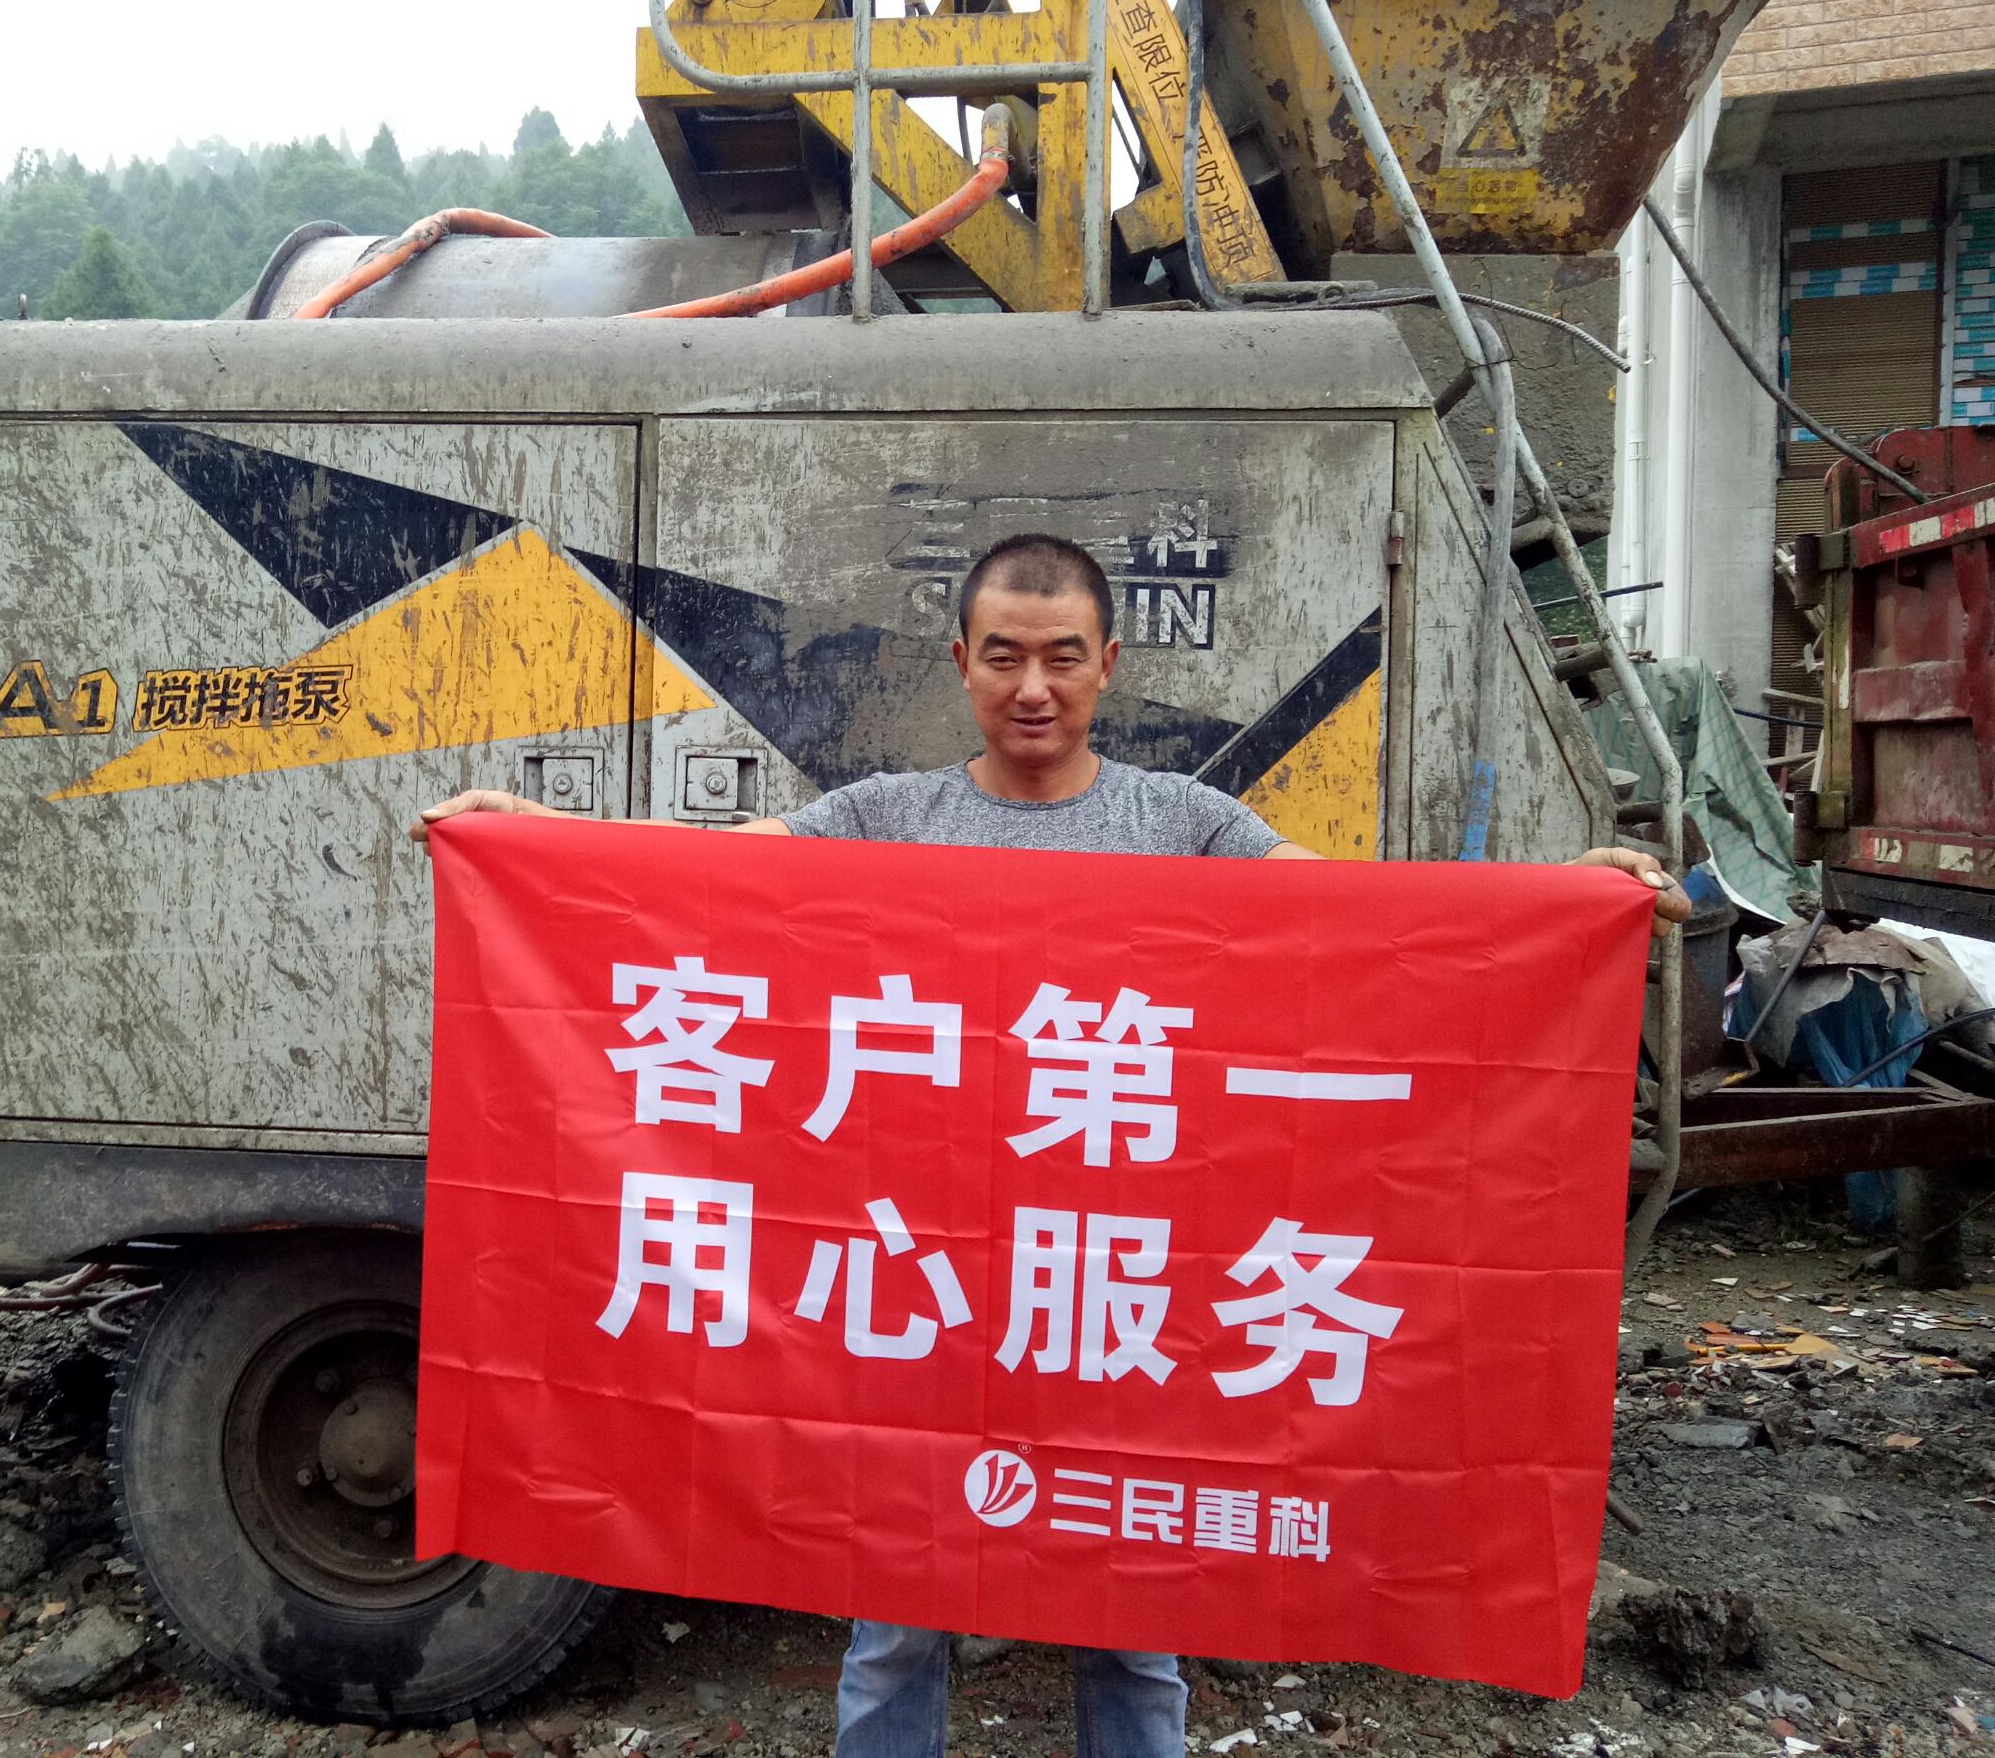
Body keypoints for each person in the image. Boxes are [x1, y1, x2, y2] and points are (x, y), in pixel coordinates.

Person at [413, 532, 1685, 1758]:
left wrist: (1567, 900)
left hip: (1106, 1297)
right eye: (1005, 656)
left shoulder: (1182, 824)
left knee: (1132, 1631)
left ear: (1107, 665)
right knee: (894, 1626)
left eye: (1063, 657)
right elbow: (706, 876)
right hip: (928, 1294)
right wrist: (532, 840)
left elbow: (1368, 921)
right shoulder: (887, 817)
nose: (1034, 687)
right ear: (961, 661)